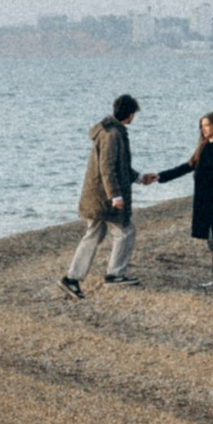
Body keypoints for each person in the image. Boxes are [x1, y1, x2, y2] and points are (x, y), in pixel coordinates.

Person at [144, 111, 213, 286]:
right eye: (202, 126)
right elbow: (186, 167)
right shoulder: (203, 149)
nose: (203, 129)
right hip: (205, 202)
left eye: (207, 125)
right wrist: (160, 176)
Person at [62, 94, 141, 293]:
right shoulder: (113, 134)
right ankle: (114, 274)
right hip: (103, 198)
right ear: (130, 115)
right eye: (134, 114)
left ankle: (72, 278)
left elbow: (119, 167)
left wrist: (139, 177)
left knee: (94, 233)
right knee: (125, 230)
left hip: (96, 195)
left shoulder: (109, 131)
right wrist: (115, 196)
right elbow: (107, 167)